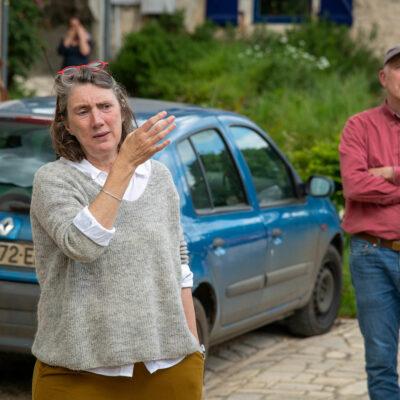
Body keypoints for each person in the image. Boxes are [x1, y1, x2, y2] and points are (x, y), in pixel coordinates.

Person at [30, 61, 204, 400]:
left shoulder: (159, 177)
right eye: (82, 111)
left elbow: (179, 265)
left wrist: (193, 350)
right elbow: (82, 245)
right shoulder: (53, 181)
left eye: (105, 106)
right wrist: (124, 163)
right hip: (78, 374)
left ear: (122, 110)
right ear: (66, 124)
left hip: (168, 369)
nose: (97, 120)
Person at [339, 46, 400, 399]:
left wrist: (391, 172)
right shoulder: (359, 126)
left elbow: (369, 184)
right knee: (380, 359)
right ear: (383, 76)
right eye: (399, 67)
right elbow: (355, 185)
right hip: (372, 255)